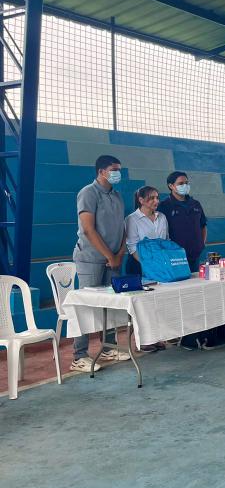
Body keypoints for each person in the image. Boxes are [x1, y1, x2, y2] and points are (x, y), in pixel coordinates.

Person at [71, 155, 130, 372]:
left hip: (113, 259)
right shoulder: (88, 193)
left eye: (119, 169)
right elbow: (88, 229)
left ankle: (108, 347)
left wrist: (120, 253)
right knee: (87, 306)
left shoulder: (117, 195)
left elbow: (122, 227)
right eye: (114, 169)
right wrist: (109, 255)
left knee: (111, 305)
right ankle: (79, 355)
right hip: (91, 259)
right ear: (101, 172)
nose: (117, 173)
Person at [126, 186, 169, 352]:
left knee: (157, 302)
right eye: (151, 198)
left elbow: (165, 240)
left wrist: (162, 263)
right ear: (141, 200)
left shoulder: (162, 217)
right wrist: (148, 265)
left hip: (159, 265)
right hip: (139, 265)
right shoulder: (132, 219)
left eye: (157, 197)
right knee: (142, 305)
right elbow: (132, 246)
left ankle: (156, 337)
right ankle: (143, 341)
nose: (156, 201)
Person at [158, 171, 207, 273]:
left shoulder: (195, 204)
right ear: (171, 186)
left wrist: (201, 244)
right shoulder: (164, 206)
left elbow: (203, 225)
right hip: (176, 257)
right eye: (180, 184)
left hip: (195, 255)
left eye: (186, 183)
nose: (185, 186)